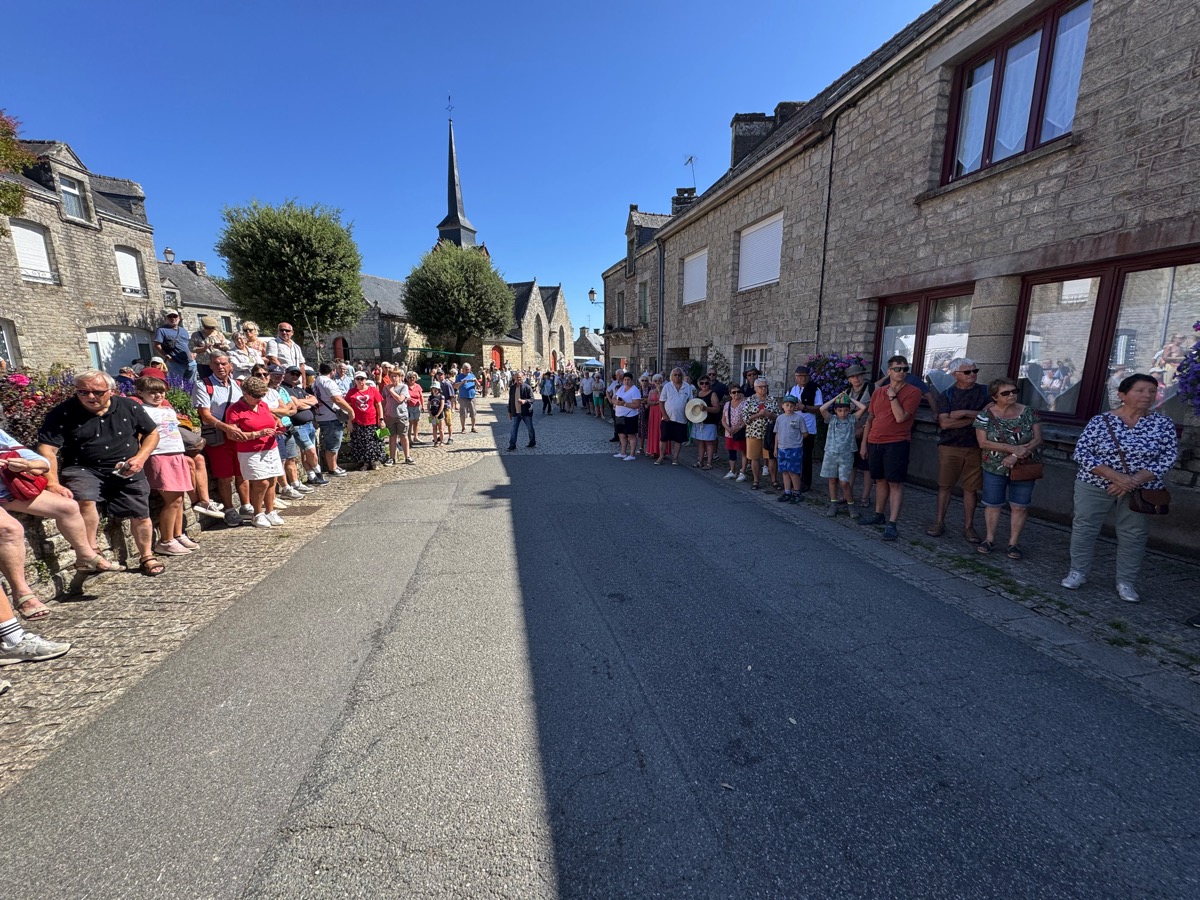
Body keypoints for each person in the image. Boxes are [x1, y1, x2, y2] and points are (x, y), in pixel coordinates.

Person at [1061, 373, 1178, 603]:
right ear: (1122, 395)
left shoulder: (1163, 424)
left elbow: (1168, 457)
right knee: (1085, 527)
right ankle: (1077, 572)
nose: (1147, 395)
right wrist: (1117, 478)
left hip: (1141, 489)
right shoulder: (1101, 421)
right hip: (1095, 484)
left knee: (1134, 534)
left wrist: (1132, 480)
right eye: (1140, 390)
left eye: (1152, 391)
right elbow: (1082, 453)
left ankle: (1126, 582)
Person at [36, 370, 163, 575]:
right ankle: (91, 553)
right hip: (82, 466)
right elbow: (47, 449)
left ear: (111, 390)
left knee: (140, 511)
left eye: (97, 392)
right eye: (83, 392)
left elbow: (152, 433)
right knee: (85, 499)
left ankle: (147, 555)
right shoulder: (63, 412)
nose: (90, 397)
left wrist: (140, 458)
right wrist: (52, 483)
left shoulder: (129, 406)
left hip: (126, 466)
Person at [0, 424, 121, 620]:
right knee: (10, 529)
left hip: (10, 491)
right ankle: (22, 593)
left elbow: (42, 463)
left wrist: (27, 465)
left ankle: (85, 556)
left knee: (68, 507)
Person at [972, 377, 1042, 558]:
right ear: (995, 397)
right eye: (1005, 393)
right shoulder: (985, 415)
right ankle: (989, 539)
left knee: (1020, 506)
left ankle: (1013, 543)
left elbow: (1037, 439)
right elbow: (983, 442)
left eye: (1014, 391)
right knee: (992, 504)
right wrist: (1012, 448)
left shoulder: (1029, 412)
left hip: (1024, 465)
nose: (1011, 395)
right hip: (994, 466)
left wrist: (1015, 455)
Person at [135, 376, 198, 556]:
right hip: (160, 455)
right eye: (152, 392)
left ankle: (178, 534)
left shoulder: (167, 409)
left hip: (176, 454)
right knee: (172, 500)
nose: (158, 396)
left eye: (161, 392)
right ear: (141, 393)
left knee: (179, 498)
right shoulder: (143, 411)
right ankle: (166, 540)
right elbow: (139, 435)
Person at [860, 355, 922, 540]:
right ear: (889, 371)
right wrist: (864, 443)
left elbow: (901, 417)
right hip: (875, 441)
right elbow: (870, 418)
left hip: (897, 442)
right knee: (879, 480)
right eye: (897, 369)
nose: (901, 372)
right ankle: (879, 514)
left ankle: (892, 522)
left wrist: (893, 396)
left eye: (905, 369)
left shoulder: (913, 392)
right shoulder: (878, 392)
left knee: (895, 482)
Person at [928, 358, 988, 543]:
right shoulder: (946, 395)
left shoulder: (985, 392)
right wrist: (977, 418)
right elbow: (945, 423)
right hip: (950, 446)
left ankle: (969, 527)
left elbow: (992, 414)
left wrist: (964, 413)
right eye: (967, 372)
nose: (972, 375)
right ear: (955, 375)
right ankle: (939, 522)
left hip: (975, 446)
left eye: (975, 371)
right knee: (945, 486)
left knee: (971, 489)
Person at [193, 352, 251, 525]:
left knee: (242, 472)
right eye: (216, 364)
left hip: (237, 434)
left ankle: (246, 505)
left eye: (224, 363)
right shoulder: (204, 385)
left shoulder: (238, 384)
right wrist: (226, 427)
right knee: (224, 475)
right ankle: (229, 509)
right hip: (218, 435)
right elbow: (205, 414)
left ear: (230, 365)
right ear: (210, 365)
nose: (220, 367)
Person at [224, 376, 285, 528]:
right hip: (250, 451)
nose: (260, 399)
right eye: (257, 396)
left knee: (272, 480)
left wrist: (277, 425)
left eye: (262, 395)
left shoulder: (262, 405)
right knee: (261, 482)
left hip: (270, 448)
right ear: (246, 394)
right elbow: (232, 434)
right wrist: (258, 434)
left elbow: (272, 419)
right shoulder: (234, 410)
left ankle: (270, 511)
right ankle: (257, 514)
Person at [819, 391, 868, 516]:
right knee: (832, 480)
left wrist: (849, 398)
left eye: (845, 410)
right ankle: (833, 504)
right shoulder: (831, 419)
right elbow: (822, 409)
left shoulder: (851, 419)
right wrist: (835, 398)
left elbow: (863, 407)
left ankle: (851, 505)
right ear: (835, 410)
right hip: (831, 453)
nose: (843, 413)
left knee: (844, 482)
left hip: (846, 454)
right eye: (840, 410)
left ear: (849, 410)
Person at [282, 366, 326, 486]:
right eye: (292, 373)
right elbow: (295, 405)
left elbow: (314, 400)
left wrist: (302, 403)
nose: (295, 376)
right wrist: (305, 403)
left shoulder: (298, 389)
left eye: (297, 374)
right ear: (285, 374)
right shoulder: (284, 389)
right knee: (311, 451)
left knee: (308, 453)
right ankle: (318, 473)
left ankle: (311, 476)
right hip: (298, 426)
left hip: (309, 424)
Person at [312, 361, 354, 477]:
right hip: (331, 416)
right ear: (333, 371)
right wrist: (350, 410)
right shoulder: (328, 382)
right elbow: (337, 399)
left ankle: (334, 465)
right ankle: (332, 468)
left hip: (322, 415)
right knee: (333, 444)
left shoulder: (316, 381)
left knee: (333, 443)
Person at [785, 365, 822, 492]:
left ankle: (806, 482)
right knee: (793, 455)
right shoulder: (792, 389)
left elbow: (819, 408)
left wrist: (804, 407)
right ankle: (793, 480)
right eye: (800, 376)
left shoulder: (815, 389)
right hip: (793, 427)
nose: (803, 378)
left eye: (805, 376)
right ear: (795, 377)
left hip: (808, 427)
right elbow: (785, 405)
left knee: (806, 456)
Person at [844, 364, 874, 509]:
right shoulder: (847, 392)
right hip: (851, 433)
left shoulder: (872, 389)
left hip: (867, 432)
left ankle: (865, 497)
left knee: (867, 466)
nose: (856, 378)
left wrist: (863, 429)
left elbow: (875, 413)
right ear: (849, 379)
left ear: (863, 375)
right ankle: (847, 495)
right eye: (853, 376)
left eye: (859, 375)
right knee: (851, 465)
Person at [742, 377, 780, 490]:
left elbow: (779, 417)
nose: (763, 389)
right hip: (754, 432)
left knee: (771, 457)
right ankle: (756, 480)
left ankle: (774, 480)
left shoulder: (772, 400)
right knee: (754, 457)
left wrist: (769, 414)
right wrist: (758, 414)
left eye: (765, 386)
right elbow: (745, 418)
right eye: (761, 387)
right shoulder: (749, 400)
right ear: (755, 388)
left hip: (769, 433)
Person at [346, 372, 386, 470]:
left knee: (373, 442)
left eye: (362, 378)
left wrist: (381, 419)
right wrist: (349, 422)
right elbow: (348, 408)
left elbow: (379, 405)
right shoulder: (351, 392)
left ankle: (374, 462)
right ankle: (365, 463)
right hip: (357, 422)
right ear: (355, 380)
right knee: (361, 444)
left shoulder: (373, 390)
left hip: (372, 421)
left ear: (366, 379)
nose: (360, 381)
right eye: (358, 379)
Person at [655, 367, 695, 466]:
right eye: (675, 375)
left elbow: (691, 402)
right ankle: (661, 456)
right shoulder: (667, 386)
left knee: (678, 440)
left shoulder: (687, 387)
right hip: (667, 418)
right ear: (672, 376)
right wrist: (664, 415)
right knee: (664, 438)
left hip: (681, 418)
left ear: (682, 376)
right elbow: (661, 401)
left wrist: (689, 416)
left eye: (679, 375)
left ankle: (675, 458)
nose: (677, 377)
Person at [773, 395, 808, 502]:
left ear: (795, 407)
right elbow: (777, 433)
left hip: (794, 448)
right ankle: (787, 491)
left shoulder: (798, 418)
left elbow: (805, 433)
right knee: (784, 471)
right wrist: (775, 448)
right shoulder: (779, 418)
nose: (789, 407)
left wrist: (797, 440)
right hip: (782, 448)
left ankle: (797, 492)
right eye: (787, 405)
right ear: (782, 406)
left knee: (793, 471)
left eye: (791, 405)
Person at [153, 310, 195, 382]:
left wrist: (192, 354)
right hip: (175, 362)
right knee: (176, 385)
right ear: (166, 319)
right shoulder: (161, 330)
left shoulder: (183, 330)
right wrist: (166, 356)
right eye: (170, 316)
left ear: (179, 318)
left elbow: (188, 344)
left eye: (175, 316)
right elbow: (157, 345)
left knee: (191, 385)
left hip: (190, 362)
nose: (173, 318)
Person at [383, 372, 413, 465]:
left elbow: (400, 399)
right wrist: (383, 414)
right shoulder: (386, 388)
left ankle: (407, 457)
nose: (393, 378)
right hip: (389, 416)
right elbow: (384, 401)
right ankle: (392, 458)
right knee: (392, 437)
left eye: (395, 376)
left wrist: (391, 390)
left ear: (400, 377)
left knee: (403, 436)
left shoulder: (404, 387)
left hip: (401, 415)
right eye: (392, 376)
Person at [693, 375, 722, 469]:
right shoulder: (699, 393)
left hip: (710, 421)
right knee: (700, 442)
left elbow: (717, 409)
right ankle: (700, 461)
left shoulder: (713, 394)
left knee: (709, 442)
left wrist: (706, 408)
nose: (704, 385)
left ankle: (709, 463)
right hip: (699, 421)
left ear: (709, 384)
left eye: (706, 383)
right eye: (702, 383)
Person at [612, 372, 641, 461]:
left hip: (630, 415)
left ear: (632, 380)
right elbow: (614, 398)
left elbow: (637, 405)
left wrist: (624, 404)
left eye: (628, 380)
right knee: (621, 434)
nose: (626, 381)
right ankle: (623, 452)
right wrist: (616, 402)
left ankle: (632, 454)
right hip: (619, 415)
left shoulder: (635, 390)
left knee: (631, 435)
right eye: (625, 380)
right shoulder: (621, 388)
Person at [722, 384, 749, 482]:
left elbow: (747, 418)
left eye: (738, 391)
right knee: (731, 451)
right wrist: (727, 428)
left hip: (740, 431)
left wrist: (739, 427)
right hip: (729, 432)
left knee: (743, 451)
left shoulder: (745, 404)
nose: (736, 394)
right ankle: (732, 470)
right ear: (730, 394)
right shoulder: (727, 404)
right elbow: (723, 419)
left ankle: (743, 471)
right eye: (734, 392)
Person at [189, 316, 230, 380]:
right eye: (207, 328)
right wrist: (204, 348)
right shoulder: (196, 335)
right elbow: (192, 348)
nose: (210, 330)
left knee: (220, 380)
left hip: (218, 363)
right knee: (206, 381)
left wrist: (220, 346)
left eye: (212, 328)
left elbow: (227, 347)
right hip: (204, 364)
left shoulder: (219, 334)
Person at [507, 371, 536, 451]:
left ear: (523, 378)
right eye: (517, 378)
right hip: (515, 412)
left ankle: (532, 442)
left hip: (526, 412)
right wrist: (509, 411)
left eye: (520, 378)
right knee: (513, 429)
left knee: (530, 428)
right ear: (514, 378)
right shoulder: (512, 388)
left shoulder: (527, 387)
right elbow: (510, 400)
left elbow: (532, 399)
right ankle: (512, 444)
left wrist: (525, 401)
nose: (518, 379)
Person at [455, 363, 479, 433]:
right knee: (463, 413)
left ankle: (473, 427)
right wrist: (462, 382)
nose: (467, 371)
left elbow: (479, 385)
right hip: (463, 398)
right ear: (463, 369)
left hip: (472, 397)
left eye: (468, 369)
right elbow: (455, 386)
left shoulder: (472, 375)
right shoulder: (459, 376)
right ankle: (463, 428)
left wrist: (476, 381)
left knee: (473, 413)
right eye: (466, 369)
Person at [402, 371, 424, 446]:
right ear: (407, 378)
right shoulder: (405, 386)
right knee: (410, 422)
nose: (412, 379)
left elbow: (421, 396)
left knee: (416, 422)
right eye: (410, 377)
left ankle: (416, 436)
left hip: (417, 406)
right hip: (408, 406)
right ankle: (409, 438)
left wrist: (423, 405)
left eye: (413, 377)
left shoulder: (418, 386)